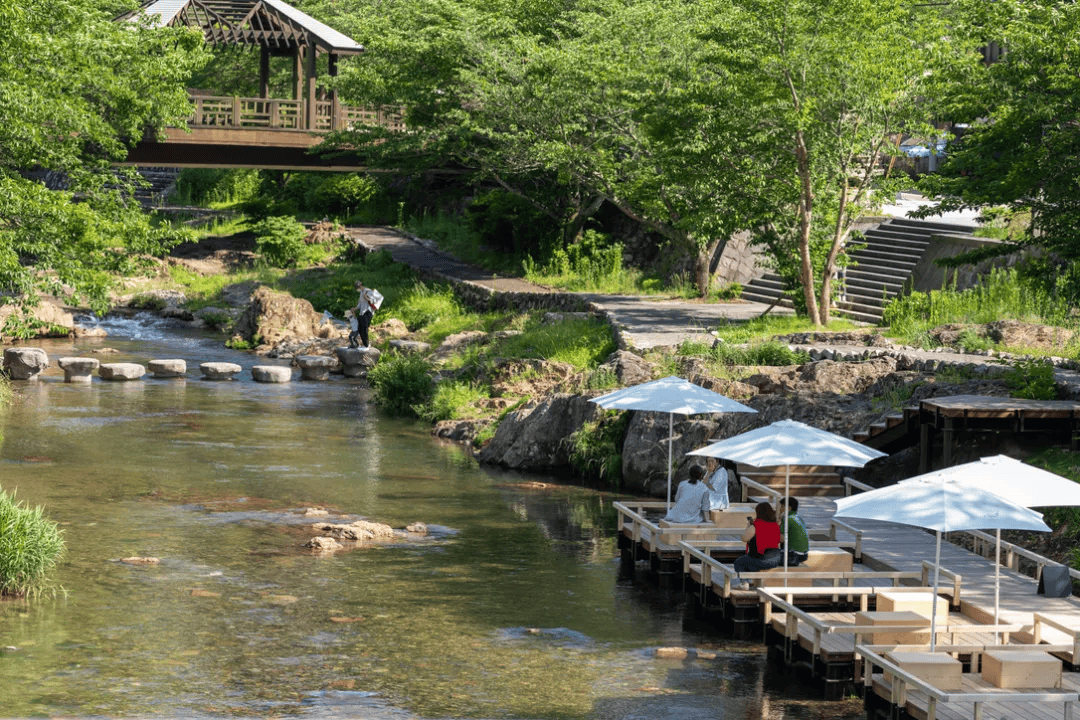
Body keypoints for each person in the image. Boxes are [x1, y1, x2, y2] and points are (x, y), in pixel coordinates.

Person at [733, 501, 782, 585]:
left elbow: (744, 538)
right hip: (776, 559)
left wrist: (749, 526)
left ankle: (745, 583)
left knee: (739, 562)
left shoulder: (756, 526)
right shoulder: (775, 525)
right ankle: (751, 581)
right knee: (749, 560)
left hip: (764, 559)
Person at [779, 497, 810, 566]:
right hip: (804, 554)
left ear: (789, 508)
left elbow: (782, 539)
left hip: (793, 555)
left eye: (782, 506)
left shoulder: (787, 519)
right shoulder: (798, 517)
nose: (781, 509)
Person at [349, 281, 379, 348]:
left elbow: (373, 301)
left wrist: (367, 298)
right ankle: (362, 344)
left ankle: (367, 345)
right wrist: (355, 308)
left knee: (364, 329)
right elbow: (360, 304)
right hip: (362, 312)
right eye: (357, 288)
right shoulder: (361, 293)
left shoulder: (368, 291)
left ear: (361, 285)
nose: (358, 288)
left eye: (358, 287)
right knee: (360, 328)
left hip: (368, 312)